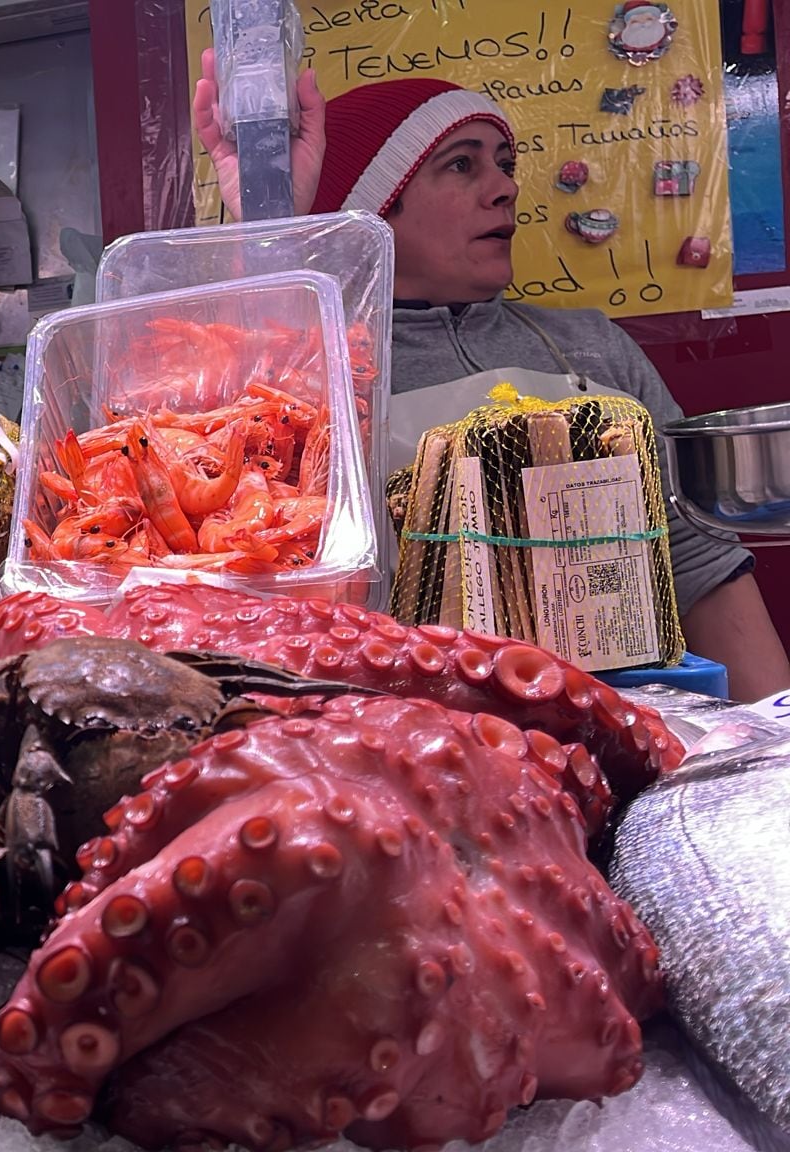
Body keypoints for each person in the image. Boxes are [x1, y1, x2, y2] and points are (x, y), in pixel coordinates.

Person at [195, 54, 790, 701]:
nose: (505, 188)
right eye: (462, 163)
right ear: (377, 207)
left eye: (505, 164)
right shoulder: (309, 371)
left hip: (632, 706)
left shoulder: (591, 345)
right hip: (418, 731)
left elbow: (699, 560)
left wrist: (775, 743)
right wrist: (274, 229)